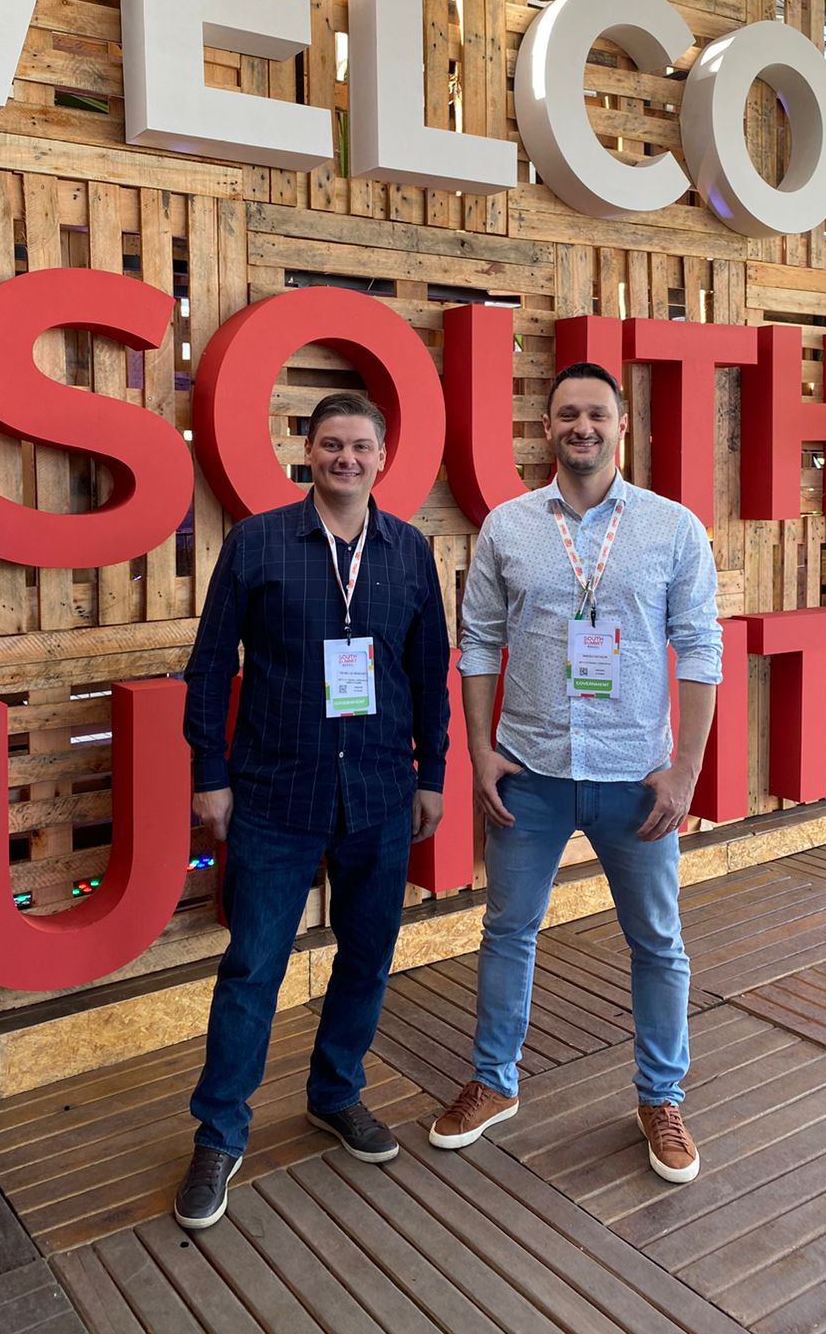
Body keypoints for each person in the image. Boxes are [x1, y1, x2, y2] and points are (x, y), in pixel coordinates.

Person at [429, 362, 721, 1184]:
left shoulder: (672, 528)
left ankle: (661, 1098)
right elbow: (479, 643)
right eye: (566, 414)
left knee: (657, 942)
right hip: (530, 770)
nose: (581, 426)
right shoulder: (508, 527)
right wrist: (480, 749)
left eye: (597, 413)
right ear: (546, 428)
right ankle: (493, 1081)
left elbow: (700, 648)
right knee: (506, 932)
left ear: (623, 426)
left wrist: (685, 769)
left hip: (637, 777)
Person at [174, 392, 450, 1229]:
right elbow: (211, 664)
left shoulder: (409, 552)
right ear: (307, 451)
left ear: (382, 457)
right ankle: (219, 1134)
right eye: (331, 444)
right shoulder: (258, 543)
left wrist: (432, 775)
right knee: (252, 968)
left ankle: (335, 1092)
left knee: (366, 960)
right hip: (274, 793)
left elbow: (428, 673)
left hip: (379, 793)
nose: (346, 459)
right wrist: (210, 774)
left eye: (360, 446)